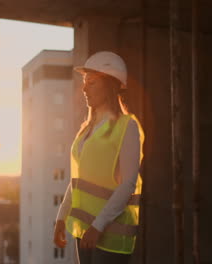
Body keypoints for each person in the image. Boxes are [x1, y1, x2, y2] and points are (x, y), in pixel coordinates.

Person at [53, 51, 144, 264]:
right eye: (84, 82)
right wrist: (61, 217)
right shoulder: (86, 129)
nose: (84, 88)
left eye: (91, 82)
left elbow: (128, 184)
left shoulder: (126, 127)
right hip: (84, 232)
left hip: (109, 237)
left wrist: (98, 226)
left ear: (110, 85)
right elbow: (77, 181)